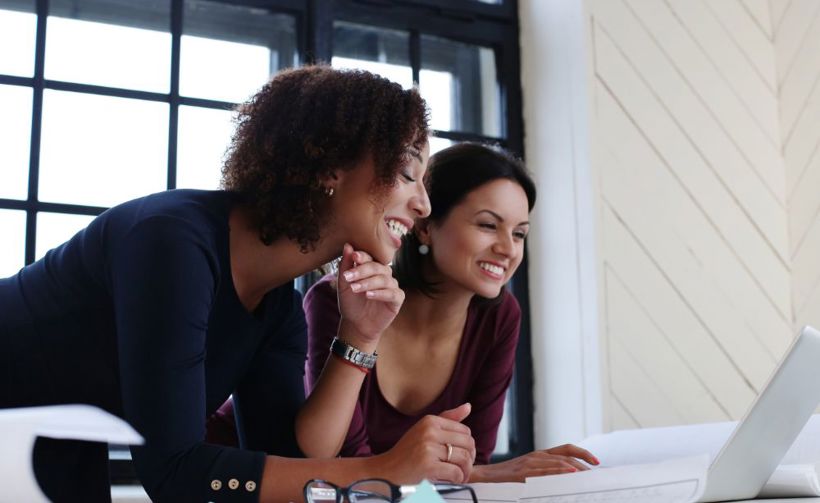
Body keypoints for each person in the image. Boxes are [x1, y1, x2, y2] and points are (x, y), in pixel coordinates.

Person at [0, 66, 477, 503]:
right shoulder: (171, 240)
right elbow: (174, 472)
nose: (423, 206)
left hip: (50, 450)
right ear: (332, 165)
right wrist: (383, 469)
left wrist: (360, 337)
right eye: (406, 173)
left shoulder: (276, 310)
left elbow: (285, 463)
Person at [210, 143, 599, 482]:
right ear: (426, 227)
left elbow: (464, 464)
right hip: (241, 482)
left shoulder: (499, 317)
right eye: (487, 225)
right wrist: (486, 475)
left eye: (519, 234)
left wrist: (484, 474)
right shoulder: (346, 300)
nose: (507, 249)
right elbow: (348, 465)